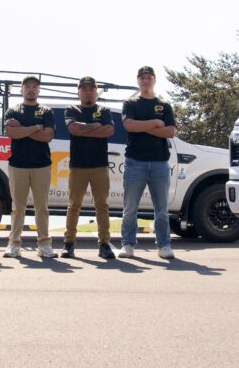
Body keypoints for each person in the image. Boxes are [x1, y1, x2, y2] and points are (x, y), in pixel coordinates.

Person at [119, 66, 176, 259]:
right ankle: (127, 244)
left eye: (149, 77)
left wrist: (142, 126)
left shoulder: (165, 104)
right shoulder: (130, 103)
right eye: (142, 77)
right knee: (130, 208)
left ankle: (164, 245)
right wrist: (155, 123)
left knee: (161, 210)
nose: (145, 81)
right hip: (135, 162)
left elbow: (170, 132)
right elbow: (129, 125)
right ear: (137, 81)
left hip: (160, 163)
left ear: (154, 80)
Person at [61, 76, 115, 259]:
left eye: (91, 88)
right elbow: (73, 129)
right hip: (78, 165)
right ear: (78, 92)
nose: (87, 91)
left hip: (99, 165)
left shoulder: (104, 110)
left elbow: (109, 131)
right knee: (74, 206)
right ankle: (69, 243)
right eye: (84, 89)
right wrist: (95, 126)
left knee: (102, 205)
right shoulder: (72, 109)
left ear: (95, 91)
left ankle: (104, 244)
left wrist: (85, 128)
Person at [4, 75, 55, 258]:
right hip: (18, 165)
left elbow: (47, 136)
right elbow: (12, 133)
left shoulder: (46, 111)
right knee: (18, 207)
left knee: (42, 206)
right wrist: (35, 127)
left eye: (34, 86)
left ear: (39, 90)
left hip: (41, 164)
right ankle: (14, 244)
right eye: (27, 86)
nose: (31, 89)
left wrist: (23, 128)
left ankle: (44, 244)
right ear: (22, 89)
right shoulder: (13, 110)